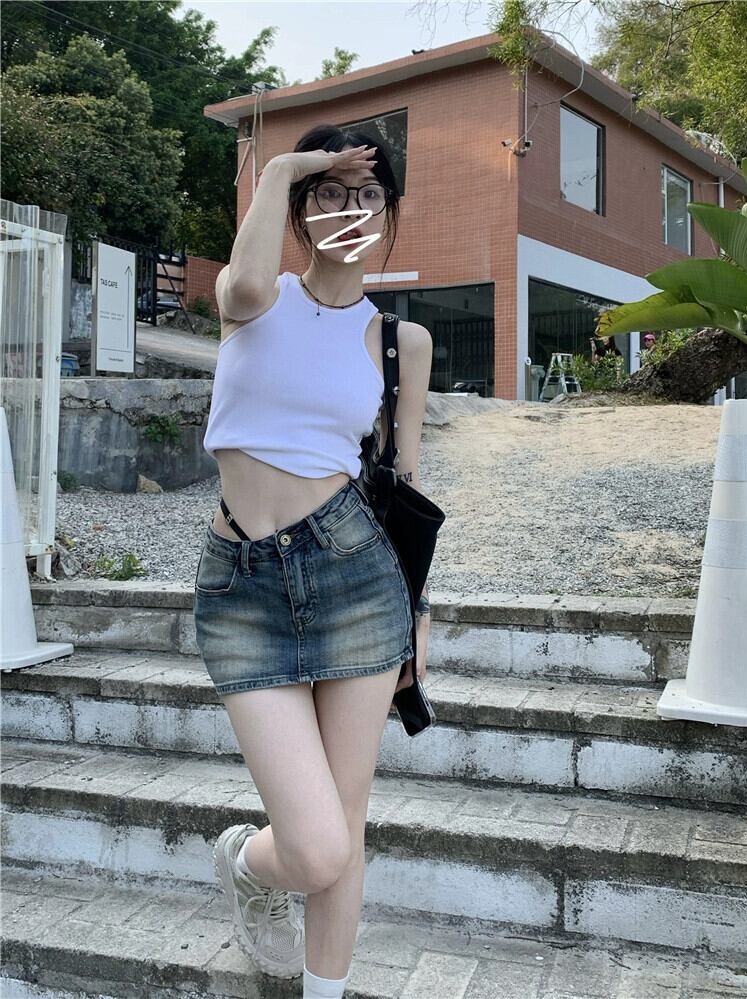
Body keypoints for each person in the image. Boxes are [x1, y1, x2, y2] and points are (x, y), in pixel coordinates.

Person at [192, 126, 434, 999]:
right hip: (242, 586)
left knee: (347, 826)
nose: (350, 210)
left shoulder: (402, 342)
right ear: (298, 210)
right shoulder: (257, 299)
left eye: (367, 195)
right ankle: (246, 860)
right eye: (330, 193)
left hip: (355, 578)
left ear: (390, 213)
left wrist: (419, 616)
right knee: (315, 844)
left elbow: (405, 484)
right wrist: (291, 166)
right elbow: (243, 282)